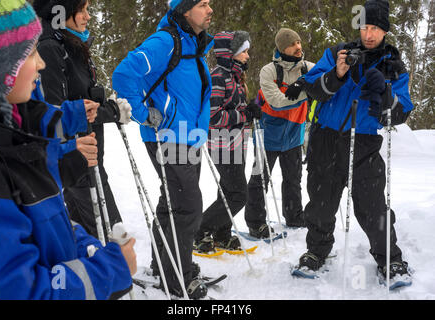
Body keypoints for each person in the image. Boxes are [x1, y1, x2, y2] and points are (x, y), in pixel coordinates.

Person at [0, 0, 136, 300]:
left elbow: (44, 224)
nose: (40, 64)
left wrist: (81, 245)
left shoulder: (12, 125)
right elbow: (22, 289)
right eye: (30, 54)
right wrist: (109, 270)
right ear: (1, 68)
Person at [294, 0, 413, 283]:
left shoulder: (394, 66)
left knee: (372, 206)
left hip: (364, 143)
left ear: (385, 31)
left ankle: (390, 259)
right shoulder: (338, 53)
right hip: (326, 138)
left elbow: (401, 112)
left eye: (375, 28)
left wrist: (385, 96)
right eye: (365, 27)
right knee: (321, 202)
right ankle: (316, 251)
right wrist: (337, 74)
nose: (369, 34)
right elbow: (311, 87)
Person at [112, 0, 214, 299]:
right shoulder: (166, 41)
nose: (210, 10)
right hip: (167, 136)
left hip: (187, 137)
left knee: (173, 202)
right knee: (187, 206)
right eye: (203, 4)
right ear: (185, 10)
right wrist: (147, 115)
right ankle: (176, 277)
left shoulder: (192, 44)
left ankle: (164, 264)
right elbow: (123, 74)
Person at [33, 0, 132, 239]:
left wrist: (107, 107)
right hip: (75, 155)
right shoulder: (50, 47)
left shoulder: (69, 43)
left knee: (85, 231)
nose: (88, 16)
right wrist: (110, 111)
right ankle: (114, 271)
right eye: (83, 10)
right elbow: (55, 110)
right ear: (62, 11)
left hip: (84, 155)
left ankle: (95, 267)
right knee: (110, 232)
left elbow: (80, 97)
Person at [194, 30, 261, 252]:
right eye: (244, 52)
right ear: (229, 53)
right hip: (222, 144)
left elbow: (235, 108)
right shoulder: (218, 77)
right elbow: (213, 116)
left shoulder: (234, 76)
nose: (247, 56)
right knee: (238, 195)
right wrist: (243, 115)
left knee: (227, 189)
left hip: (236, 143)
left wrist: (250, 109)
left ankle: (221, 232)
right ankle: (200, 229)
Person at [244, 28, 315, 238]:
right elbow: (276, 102)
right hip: (267, 133)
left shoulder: (308, 69)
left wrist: (303, 84)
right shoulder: (269, 71)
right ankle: (256, 223)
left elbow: (327, 81)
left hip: (294, 133)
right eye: (292, 44)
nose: (298, 47)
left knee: (293, 179)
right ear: (282, 47)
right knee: (260, 180)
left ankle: (294, 217)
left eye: (299, 42)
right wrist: (306, 92)